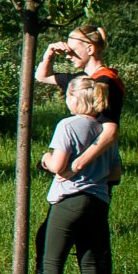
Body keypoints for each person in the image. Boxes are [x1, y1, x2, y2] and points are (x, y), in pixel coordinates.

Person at [30, 75, 120, 274]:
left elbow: (58, 165)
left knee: (52, 261)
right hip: (98, 201)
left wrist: (45, 159)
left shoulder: (68, 125)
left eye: (66, 96)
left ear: (74, 98)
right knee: (90, 263)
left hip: (69, 200)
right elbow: (115, 174)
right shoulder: (104, 132)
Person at [35, 24, 123, 184]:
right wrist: (50, 54)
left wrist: (74, 167)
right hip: (89, 170)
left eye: (72, 50)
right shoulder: (83, 79)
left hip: (94, 170)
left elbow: (110, 132)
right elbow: (42, 76)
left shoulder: (106, 81)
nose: (68, 55)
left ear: (90, 49)